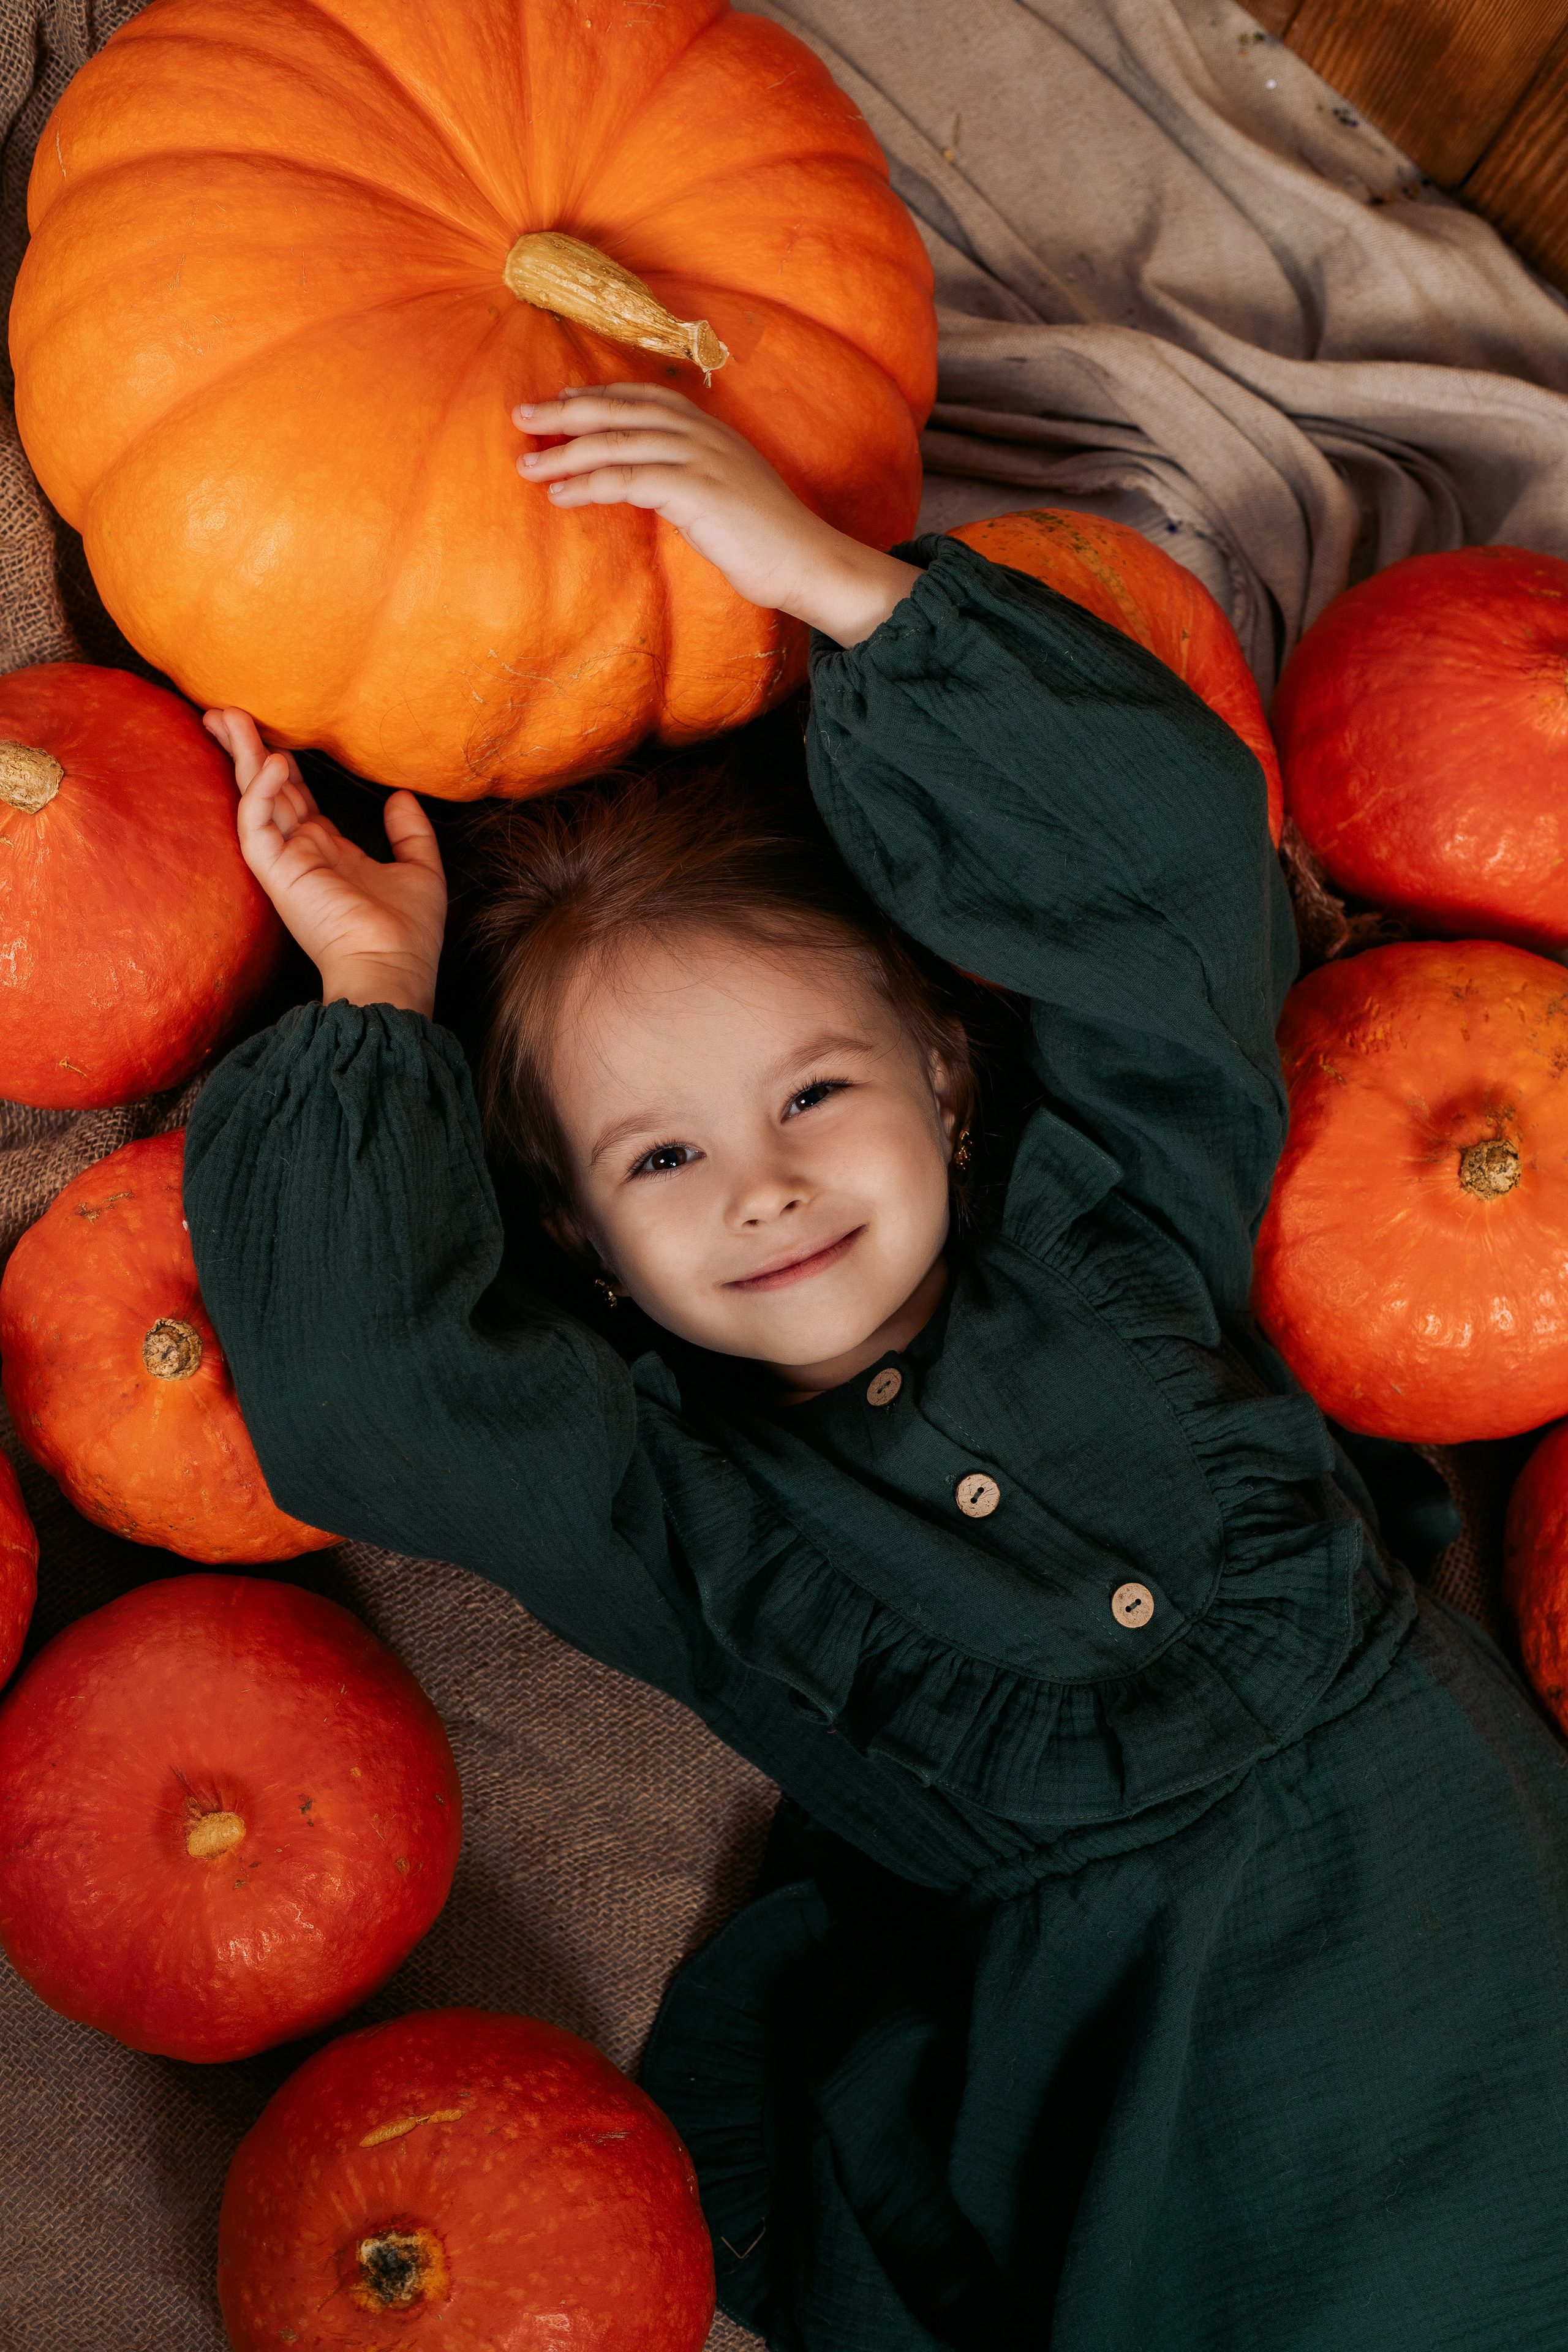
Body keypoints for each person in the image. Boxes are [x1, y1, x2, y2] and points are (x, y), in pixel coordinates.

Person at [187, 386, 1568, 2352]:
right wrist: (376, 1002)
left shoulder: (1119, 1225)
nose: (762, 1187)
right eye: (662, 1159)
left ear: (938, 1075)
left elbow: (1171, 880)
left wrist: (832, 584)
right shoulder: (684, 1525)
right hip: (1160, 2087)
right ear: (581, 1240)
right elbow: (366, 1403)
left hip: (1473, 1902)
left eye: (814, 1092)